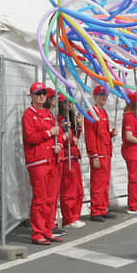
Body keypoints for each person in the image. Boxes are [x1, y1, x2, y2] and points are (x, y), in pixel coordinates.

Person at [22, 83, 61, 245]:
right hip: (38, 161)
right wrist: (49, 133)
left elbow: (55, 136)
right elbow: (30, 137)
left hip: (51, 159)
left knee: (51, 198)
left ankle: (47, 229)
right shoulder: (28, 115)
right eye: (38, 93)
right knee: (40, 198)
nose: (41, 96)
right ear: (31, 96)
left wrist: (58, 145)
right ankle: (38, 233)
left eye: (43, 93)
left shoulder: (48, 114)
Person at [84, 86, 116, 221]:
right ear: (95, 96)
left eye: (106, 95)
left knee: (105, 183)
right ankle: (96, 210)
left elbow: (103, 135)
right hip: (98, 154)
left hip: (106, 153)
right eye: (101, 95)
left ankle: (103, 207)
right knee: (97, 183)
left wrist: (111, 135)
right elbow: (90, 137)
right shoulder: (91, 113)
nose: (104, 98)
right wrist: (94, 155)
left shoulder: (104, 113)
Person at [56, 95, 85, 229]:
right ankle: (69, 217)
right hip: (67, 157)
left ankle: (75, 215)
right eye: (65, 103)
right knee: (69, 189)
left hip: (74, 156)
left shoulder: (71, 119)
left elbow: (76, 138)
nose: (69, 106)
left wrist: (79, 126)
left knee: (78, 188)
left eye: (71, 103)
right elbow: (68, 139)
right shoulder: (61, 119)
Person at [44, 88, 67, 238]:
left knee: (53, 194)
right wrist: (63, 137)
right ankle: (47, 225)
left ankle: (50, 223)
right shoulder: (46, 116)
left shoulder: (50, 116)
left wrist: (61, 140)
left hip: (56, 158)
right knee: (47, 196)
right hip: (47, 159)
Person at [120, 91, 137, 215]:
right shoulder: (129, 116)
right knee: (135, 179)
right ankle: (134, 205)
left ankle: (136, 203)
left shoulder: (133, 116)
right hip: (133, 150)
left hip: (136, 150)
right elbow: (129, 136)